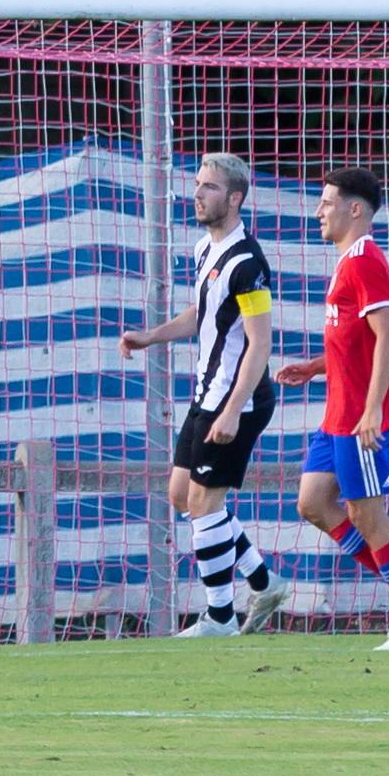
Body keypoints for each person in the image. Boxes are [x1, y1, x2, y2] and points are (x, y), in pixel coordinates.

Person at [119, 153, 290, 636]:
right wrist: (150, 336)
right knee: (182, 496)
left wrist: (234, 409)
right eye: (197, 184)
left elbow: (260, 343)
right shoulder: (203, 249)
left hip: (239, 398)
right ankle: (265, 581)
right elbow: (202, 314)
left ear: (235, 198)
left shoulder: (247, 261)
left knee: (204, 503)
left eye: (210, 187)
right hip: (206, 393)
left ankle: (220, 616)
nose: (197, 194)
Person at [274, 168, 389, 651]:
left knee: (367, 515)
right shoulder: (347, 261)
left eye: (326, 202)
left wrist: (371, 411)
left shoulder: (366, 259)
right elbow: (355, 344)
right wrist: (315, 366)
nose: (317, 210)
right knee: (313, 503)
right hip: (337, 414)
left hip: (359, 417)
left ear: (354, 209)